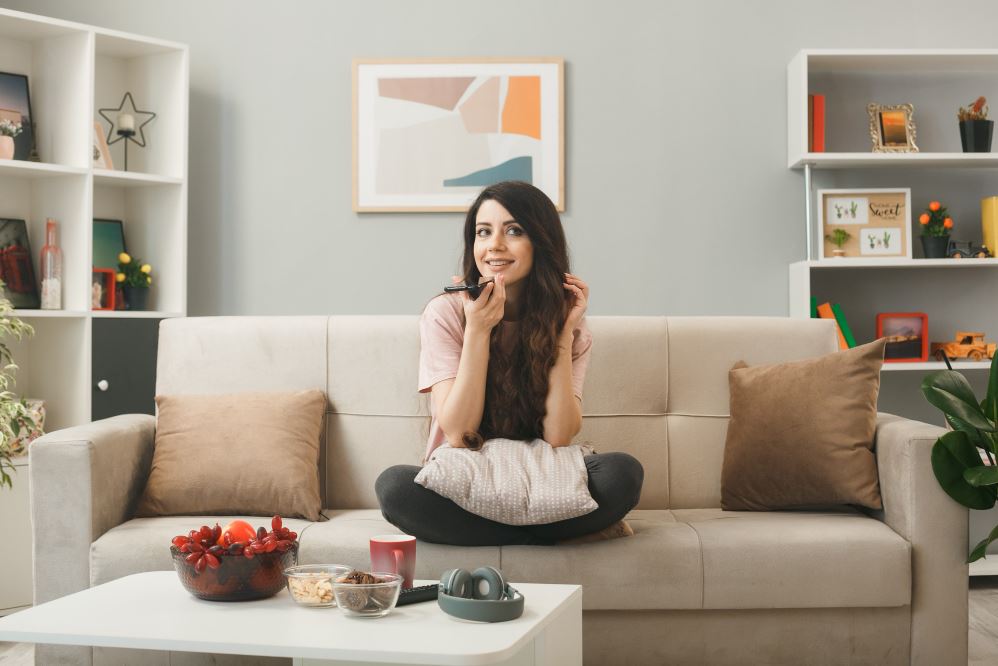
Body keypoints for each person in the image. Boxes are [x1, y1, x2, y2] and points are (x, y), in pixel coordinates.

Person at [375, 181, 643, 546]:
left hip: (542, 478)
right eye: (483, 232)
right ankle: (548, 534)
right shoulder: (445, 313)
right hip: (465, 472)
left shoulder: (572, 330)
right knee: (394, 488)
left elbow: (559, 435)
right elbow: (457, 433)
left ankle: (495, 536)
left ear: (541, 242)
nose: (494, 246)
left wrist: (562, 337)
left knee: (623, 473)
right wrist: (478, 331)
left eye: (513, 231)